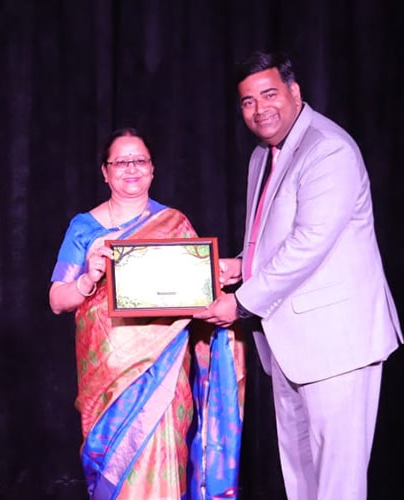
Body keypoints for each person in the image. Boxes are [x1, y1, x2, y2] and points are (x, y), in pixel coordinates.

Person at [194, 51, 402, 500]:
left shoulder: (328, 149)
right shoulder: (262, 156)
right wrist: (239, 265)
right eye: (248, 101)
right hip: (290, 346)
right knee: (302, 482)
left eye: (269, 94)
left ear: (294, 92)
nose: (259, 109)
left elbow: (309, 243)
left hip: (338, 347)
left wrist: (241, 301)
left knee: (338, 486)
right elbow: (276, 239)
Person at [49, 128, 245, 499]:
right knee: (115, 469)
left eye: (139, 160)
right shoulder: (84, 228)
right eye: (120, 162)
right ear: (105, 171)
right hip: (108, 376)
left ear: (152, 169)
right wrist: (89, 278)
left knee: (165, 458)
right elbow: (57, 299)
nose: (131, 169)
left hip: (165, 370)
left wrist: (221, 282)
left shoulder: (175, 224)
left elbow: (201, 293)